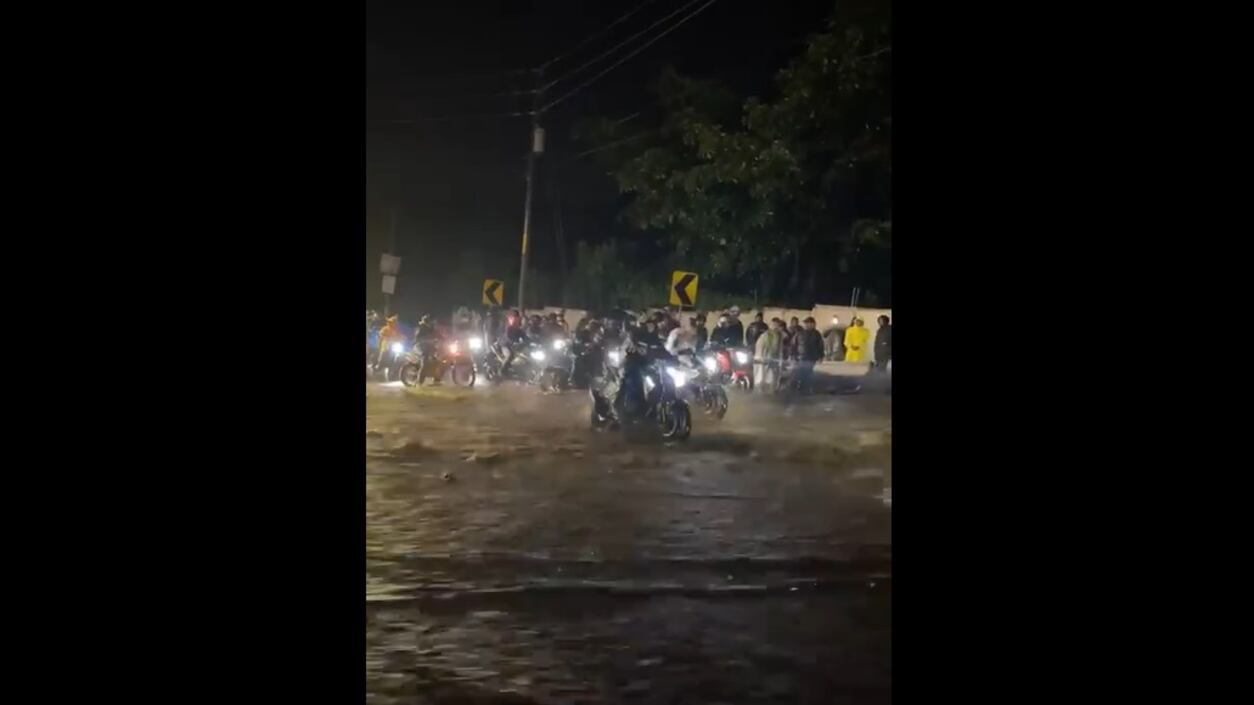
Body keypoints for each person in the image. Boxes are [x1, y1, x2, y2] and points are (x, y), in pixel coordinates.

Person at [793, 316, 825, 393]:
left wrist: (821, 356)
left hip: (811, 358)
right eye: (806, 323)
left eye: (809, 323)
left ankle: (806, 388)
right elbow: (794, 344)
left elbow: (821, 345)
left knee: (808, 373)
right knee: (800, 373)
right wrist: (793, 355)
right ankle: (799, 388)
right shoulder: (800, 333)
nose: (807, 325)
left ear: (813, 324)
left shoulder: (817, 334)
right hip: (801, 357)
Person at [754, 318, 784, 392]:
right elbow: (760, 347)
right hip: (764, 359)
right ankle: (761, 393)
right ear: (770, 325)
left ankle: (771, 393)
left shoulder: (779, 335)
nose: (775, 327)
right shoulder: (766, 335)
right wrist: (762, 358)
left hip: (774, 359)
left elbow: (779, 348)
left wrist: (780, 359)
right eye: (774, 325)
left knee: (773, 377)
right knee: (762, 377)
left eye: (777, 325)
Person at [412, 315, 440, 384]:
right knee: (425, 363)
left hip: (429, 347)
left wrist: (447, 339)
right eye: (431, 321)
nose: (433, 323)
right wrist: (428, 340)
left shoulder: (431, 329)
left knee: (438, 360)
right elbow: (418, 339)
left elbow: (438, 335)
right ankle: (419, 382)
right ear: (427, 321)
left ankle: (436, 379)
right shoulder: (421, 328)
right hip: (420, 347)